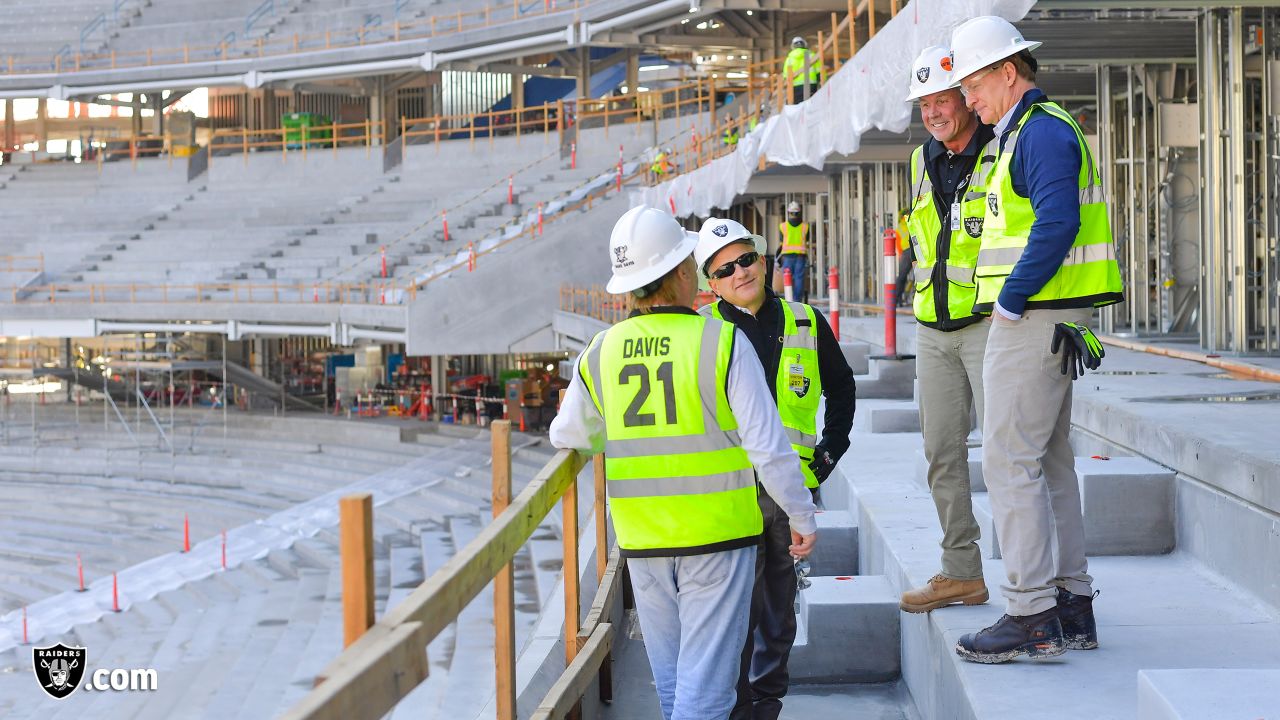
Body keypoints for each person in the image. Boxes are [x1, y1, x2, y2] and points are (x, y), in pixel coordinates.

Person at [549, 206, 818, 718]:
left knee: (675, 688)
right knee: (708, 694)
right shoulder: (721, 341)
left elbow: (569, 434)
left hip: (643, 541)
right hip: (718, 540)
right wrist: (801, 517)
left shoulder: (601, 351)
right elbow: (768, 446)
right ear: (679, 273)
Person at [948, 16, 1123, 663]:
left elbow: (1056, 222)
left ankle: (1028, 613)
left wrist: (1012, 301)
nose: (969, 100)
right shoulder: (1035, 130)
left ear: (1007, 71)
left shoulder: (1040, 133)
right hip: (1055, 319)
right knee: (1047, 463)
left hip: (1035, 320)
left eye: (973, 84)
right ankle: (1071, 605)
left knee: (1008, 464)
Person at [693, 217, 856, 720]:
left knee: (778, 614)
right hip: (731, 495)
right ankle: (735, 705)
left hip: (787, 497)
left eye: (746, 259)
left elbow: (842, 387)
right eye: (725, 269)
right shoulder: (704, 333)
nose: (740, 272)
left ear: (763, 260)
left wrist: (828, 454)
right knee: (733, 613)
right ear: (711, 283)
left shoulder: (805, 320)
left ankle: (764, 706)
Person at [896, 46, 998, 615]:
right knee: (941, 452)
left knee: (1009, 455)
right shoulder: (918, 161)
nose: (933, 111)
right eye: (924, 103)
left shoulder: (1000, 150)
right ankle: (962, 571)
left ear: (967, 96)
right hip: (933, 330)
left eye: (942, 98)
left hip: (991, 323)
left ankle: (1042, 583)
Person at [777, 201, 810, 303]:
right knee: (799, 278)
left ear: (789, 213)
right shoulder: (805, 226)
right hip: (801, 256)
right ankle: (797, 300)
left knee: (787, 278)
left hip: (787, 256)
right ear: (799, 213)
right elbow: (807, 240)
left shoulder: (783, 226)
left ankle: (789, 299)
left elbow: (781, 241)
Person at [783, 37, 824, 104]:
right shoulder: (812, 56)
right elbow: (820, 72)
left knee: (798, 109)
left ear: (793, 46)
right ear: (804, 44)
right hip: (810, 85)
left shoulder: (789, 59)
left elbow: (785, 76)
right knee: (811, 107)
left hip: (795, 87)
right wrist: (822, 83)